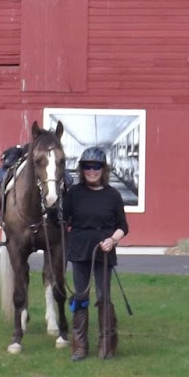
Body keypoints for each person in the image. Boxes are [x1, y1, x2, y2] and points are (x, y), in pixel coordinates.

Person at [62, 145, 128, 361]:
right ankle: (80, 346)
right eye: (87, 167)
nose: (92, 170)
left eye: (96, 166)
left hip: (104, 252)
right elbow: (62, 219)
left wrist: (112, 240)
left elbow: (122, 226)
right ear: (81, 170)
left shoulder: (113, 195)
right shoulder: (73, 194)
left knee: (103, 297)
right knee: (81, 297)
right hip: (80, 251)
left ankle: (107, 344)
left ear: (103, 169)